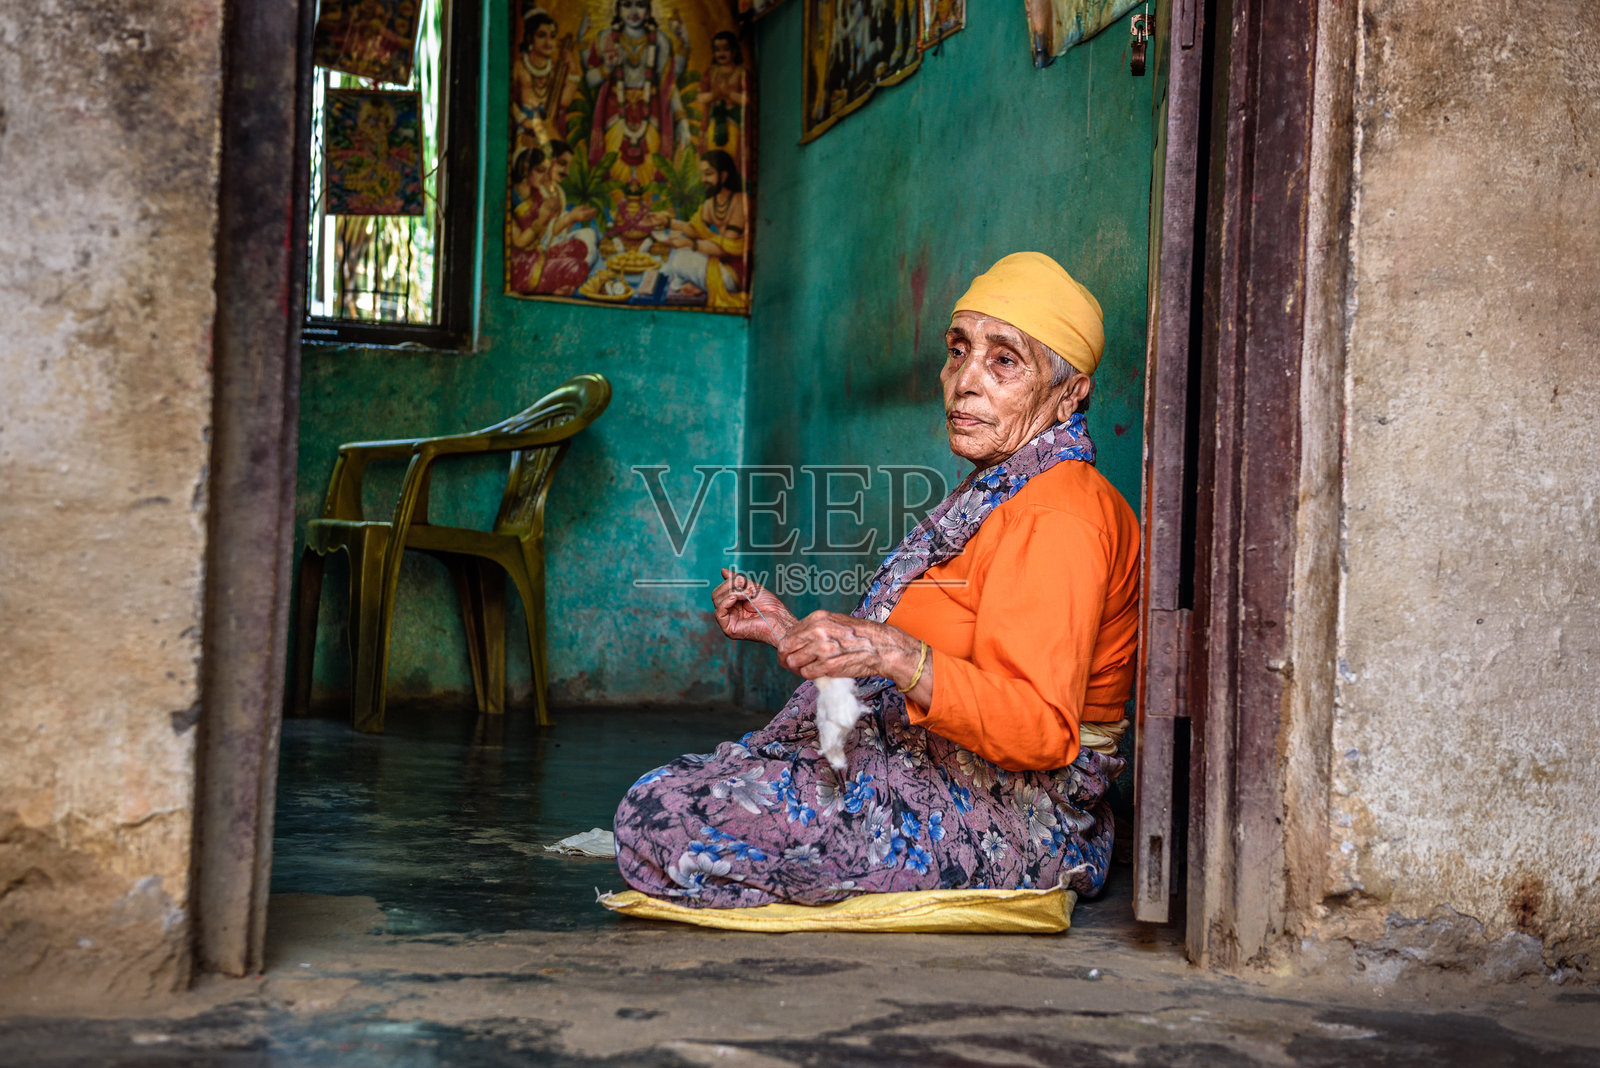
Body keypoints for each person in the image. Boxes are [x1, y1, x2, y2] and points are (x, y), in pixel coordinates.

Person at [614, 252, 1140, 906]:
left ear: (1070, 393)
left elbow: (1036, 728)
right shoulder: (1000, 493)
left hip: (1020, 817)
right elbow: (936, 654)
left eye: (1004, 360)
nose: (963, 381)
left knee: (668, 819)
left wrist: (892, 653)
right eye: (957, 351)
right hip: (941, 771)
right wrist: (791, 631)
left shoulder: (1058, 514)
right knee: (675, 796)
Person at [583, 0, 690, 186]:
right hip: (615, 113)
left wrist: (682, 119)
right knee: (614, 174)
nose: (633, 11)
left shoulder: (660, 41)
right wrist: (606, 68)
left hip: (651, 116)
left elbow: (669, 84)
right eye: (626, 4)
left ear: (648, 11)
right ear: (617, 9)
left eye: (640, 5)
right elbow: (591, 81)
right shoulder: (605, 38)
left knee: (649, 175)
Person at [650, 149, 748, 311]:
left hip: (735, 273)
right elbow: (693, 229)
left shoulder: (739, 202)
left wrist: (691, 244)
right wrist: (666, 221)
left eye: (708, 174)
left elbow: (725, 248)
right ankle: (695, 283)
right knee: (679, 256)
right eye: (702, 174)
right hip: (719, 263)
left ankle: (694, 284)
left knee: (680, 260)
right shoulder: (712, 203)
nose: (704, 180)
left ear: (723, 176)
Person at [532, 140, 600, 296]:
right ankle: (567, 279)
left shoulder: (558, 192)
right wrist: (570, 218)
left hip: (557, 247)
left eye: (568, 166)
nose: (566, 171)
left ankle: (572, 279)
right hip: (538, 254)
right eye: (562, 164)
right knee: (575, 256)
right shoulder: (536, 190)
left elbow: (558, 229)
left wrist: (574, 217)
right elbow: (540, 233)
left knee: (589, 234)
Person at [512, 7, 580, 152]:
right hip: (525, 132)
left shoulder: (555, 70)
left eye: (552, 36)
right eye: (542, 35)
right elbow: (507, 100)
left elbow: (564, 101)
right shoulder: (519, 67)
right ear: (530, 38)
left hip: (548, 131)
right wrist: (525, 122)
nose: (548, 42)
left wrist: (572, 68)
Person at [697, 31, 747, 159]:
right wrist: (716, 94)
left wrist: (729, 93)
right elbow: (701, 97)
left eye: (726, 49)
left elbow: (746, 101)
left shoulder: (741, 72)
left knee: (734, 156)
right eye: (717, 50)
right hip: (715, 120)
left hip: (735, 121)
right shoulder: (711, 72)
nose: (721, 53)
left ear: (734, 51)